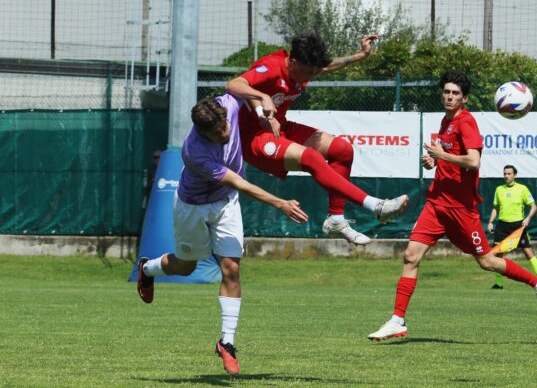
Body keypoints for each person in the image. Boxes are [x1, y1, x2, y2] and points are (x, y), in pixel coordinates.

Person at [367, 71, 537, 342]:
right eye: (446, 91)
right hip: (436, 204)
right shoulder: (445, 121)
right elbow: (448, 160)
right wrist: (434, 163)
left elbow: (473, 161)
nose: (449, 96)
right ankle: (398, 320)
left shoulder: (466, 122)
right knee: (411, 256)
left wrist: (441, 155)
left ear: (464, 98)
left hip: (461, 210)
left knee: (487, 261)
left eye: (455, 93)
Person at [136, 94, 309, 375]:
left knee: (231, 269)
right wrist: (280, 203)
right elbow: (239, 182)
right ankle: (148, 268)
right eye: (216, 133)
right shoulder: (195, 152)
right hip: (193, 207)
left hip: (226, 203)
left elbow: (241, 85)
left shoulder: (226, 105)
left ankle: (227, 343)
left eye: (225, 126)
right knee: (186, 265)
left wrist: (262, 101)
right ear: (202, 133)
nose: (225, 133)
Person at [226, 33, 408, 246]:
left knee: (343, 150)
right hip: (255, 138)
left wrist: (361, 55)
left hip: (280, 127)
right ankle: (375, 206)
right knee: (312, 158)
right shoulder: (272, 67)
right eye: (309, 72)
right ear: (293, 62)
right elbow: (233, 84)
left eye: (315, 71)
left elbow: (328, 66)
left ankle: (336, 219)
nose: (312, 76)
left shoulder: (303, 67)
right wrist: (262, 97)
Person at [487, 165, 537, 289]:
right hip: (502, 226)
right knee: (497, 255)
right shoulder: (499, 189)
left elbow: (534, 206)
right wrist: (490, 222)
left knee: (528, 252)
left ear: (515, 175)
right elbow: (496, 208)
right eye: (505, 173)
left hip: (518, 226)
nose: (506, 176)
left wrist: (527, 218)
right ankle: (499, 283)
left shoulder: (522, 189)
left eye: (509, 173)